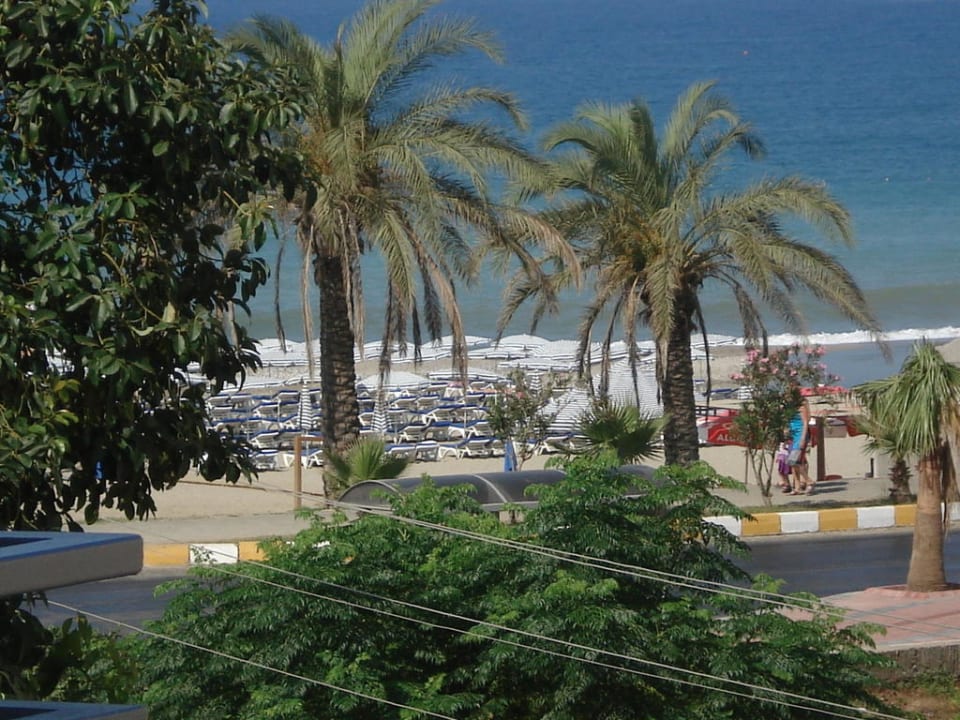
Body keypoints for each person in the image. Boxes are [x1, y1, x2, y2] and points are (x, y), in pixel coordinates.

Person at [787, 396, 814, 495]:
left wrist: (803, 438)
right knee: (793, 462)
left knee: (794, 461)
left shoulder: (801, 408)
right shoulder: (790, 410)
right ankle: (797, 487)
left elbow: (805, 423)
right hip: (793, 436)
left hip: (800, 435)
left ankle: (808, 480)